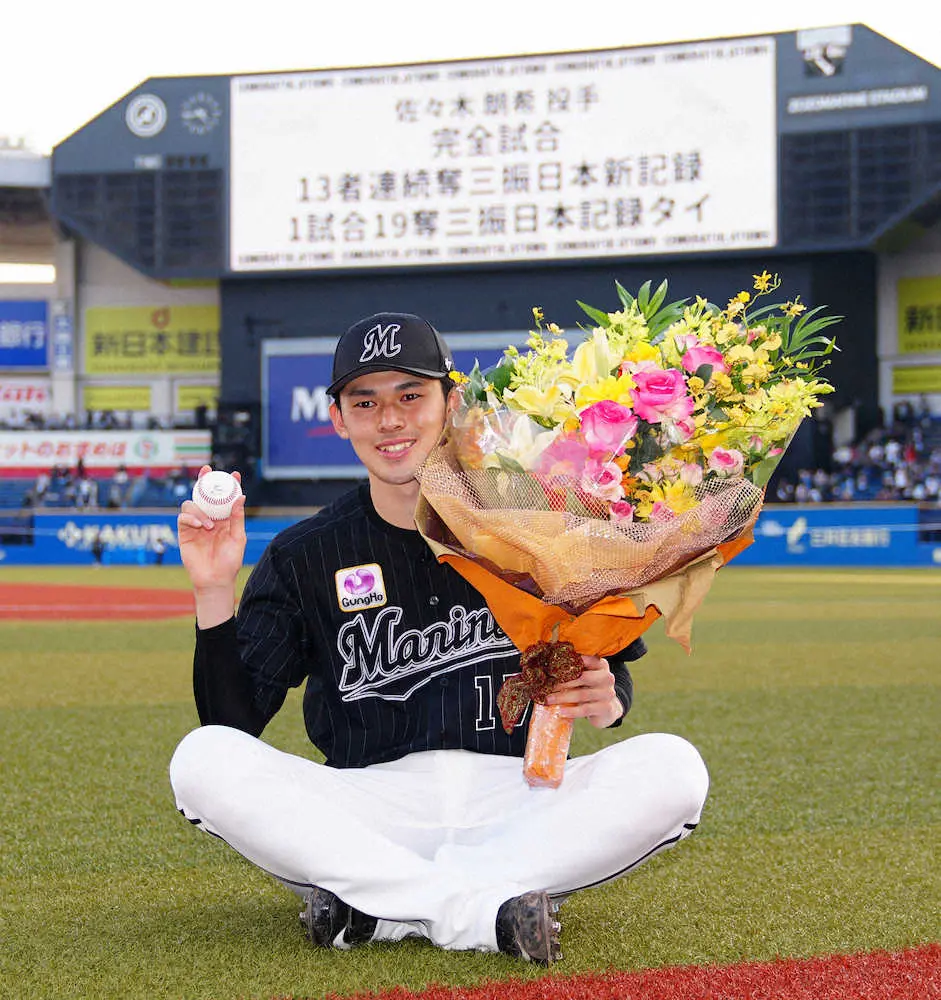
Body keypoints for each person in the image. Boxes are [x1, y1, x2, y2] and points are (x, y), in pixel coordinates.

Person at [169, 312, 709, 966]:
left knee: (674, 769)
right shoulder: (304, 554)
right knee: (201, 760)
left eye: (409, 396)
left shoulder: (532, 523)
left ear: (451, 405)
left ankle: (383, 907)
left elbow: (608, 671)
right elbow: (231, 725)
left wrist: (607, 696)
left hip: (519, 802)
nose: (389, 420)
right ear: (337, 418)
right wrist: (212, 591)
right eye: (364, 403)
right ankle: (477, 910)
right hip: (366, 806)